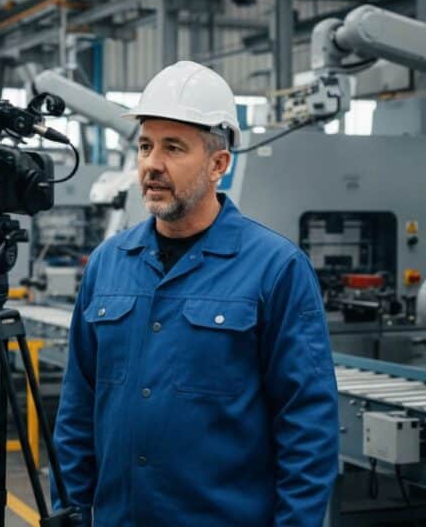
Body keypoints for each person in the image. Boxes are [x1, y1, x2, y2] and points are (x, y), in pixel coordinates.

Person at [52, 61, 340, 526]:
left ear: (218, 163)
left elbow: (307, 424)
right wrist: (69, 511)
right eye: (145, 146)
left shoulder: (276, 268)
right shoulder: (108, 263)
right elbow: (77, 408)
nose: (152, 164)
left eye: (173, 148)